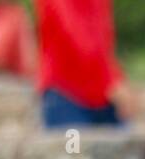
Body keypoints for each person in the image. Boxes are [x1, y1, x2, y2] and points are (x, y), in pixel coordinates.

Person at [35, 0, 136, 129]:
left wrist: (116, 78)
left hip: (102, 95)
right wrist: (111, 80)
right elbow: (71, 31)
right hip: (66, 94)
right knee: (72, 149)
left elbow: (102, 39)